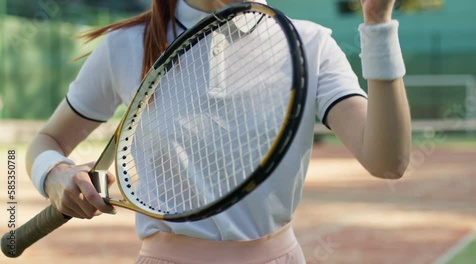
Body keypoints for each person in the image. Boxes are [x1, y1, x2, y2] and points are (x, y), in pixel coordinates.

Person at [27, 0, 411, 263]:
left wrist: (377, 23)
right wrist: (55, 174)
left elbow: (388, 162)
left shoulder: (311, 45)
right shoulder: (124, 47)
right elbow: (47, 142)